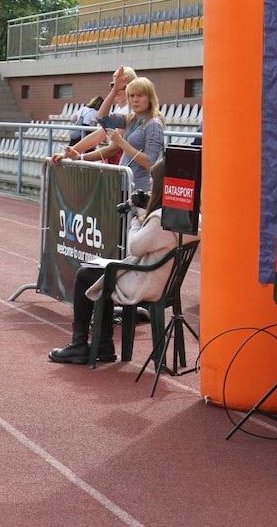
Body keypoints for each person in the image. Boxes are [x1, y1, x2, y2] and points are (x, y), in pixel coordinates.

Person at [48, 160, 200, 364]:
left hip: (147, 282)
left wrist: (138, 218)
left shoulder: (159, 219)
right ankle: (102, 345)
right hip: (166, 282)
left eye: (153, 181)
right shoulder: (193, 216)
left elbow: (135, 247)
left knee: (86, 275)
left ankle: (79, 343)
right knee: (102, 274)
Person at [51, 76, 164, 191]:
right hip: (125, 184)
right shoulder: (130, 120)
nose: (135, 100)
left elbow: (150, 162)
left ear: (150, 98)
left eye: (140, 95)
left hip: (141, 187)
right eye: (131, 96)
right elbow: (101, 117)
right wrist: (114, 90)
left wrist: (120, 141)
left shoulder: (153, 124)